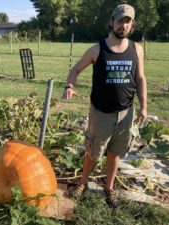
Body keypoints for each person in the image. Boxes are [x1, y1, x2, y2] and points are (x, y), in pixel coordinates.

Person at [62, 4, 147, 207]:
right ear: (111, 22)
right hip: (101, 113)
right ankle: (82, 184)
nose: (123, 26)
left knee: (115, 153)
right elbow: (75, 70)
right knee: (92, 153)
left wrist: (144, 107)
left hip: (125, 113)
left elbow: (141, 78)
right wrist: (69, 86)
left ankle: (109, 188)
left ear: (132, 25)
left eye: (127, 22)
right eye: (119, 21)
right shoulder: (97, 49)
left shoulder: (137, 49)